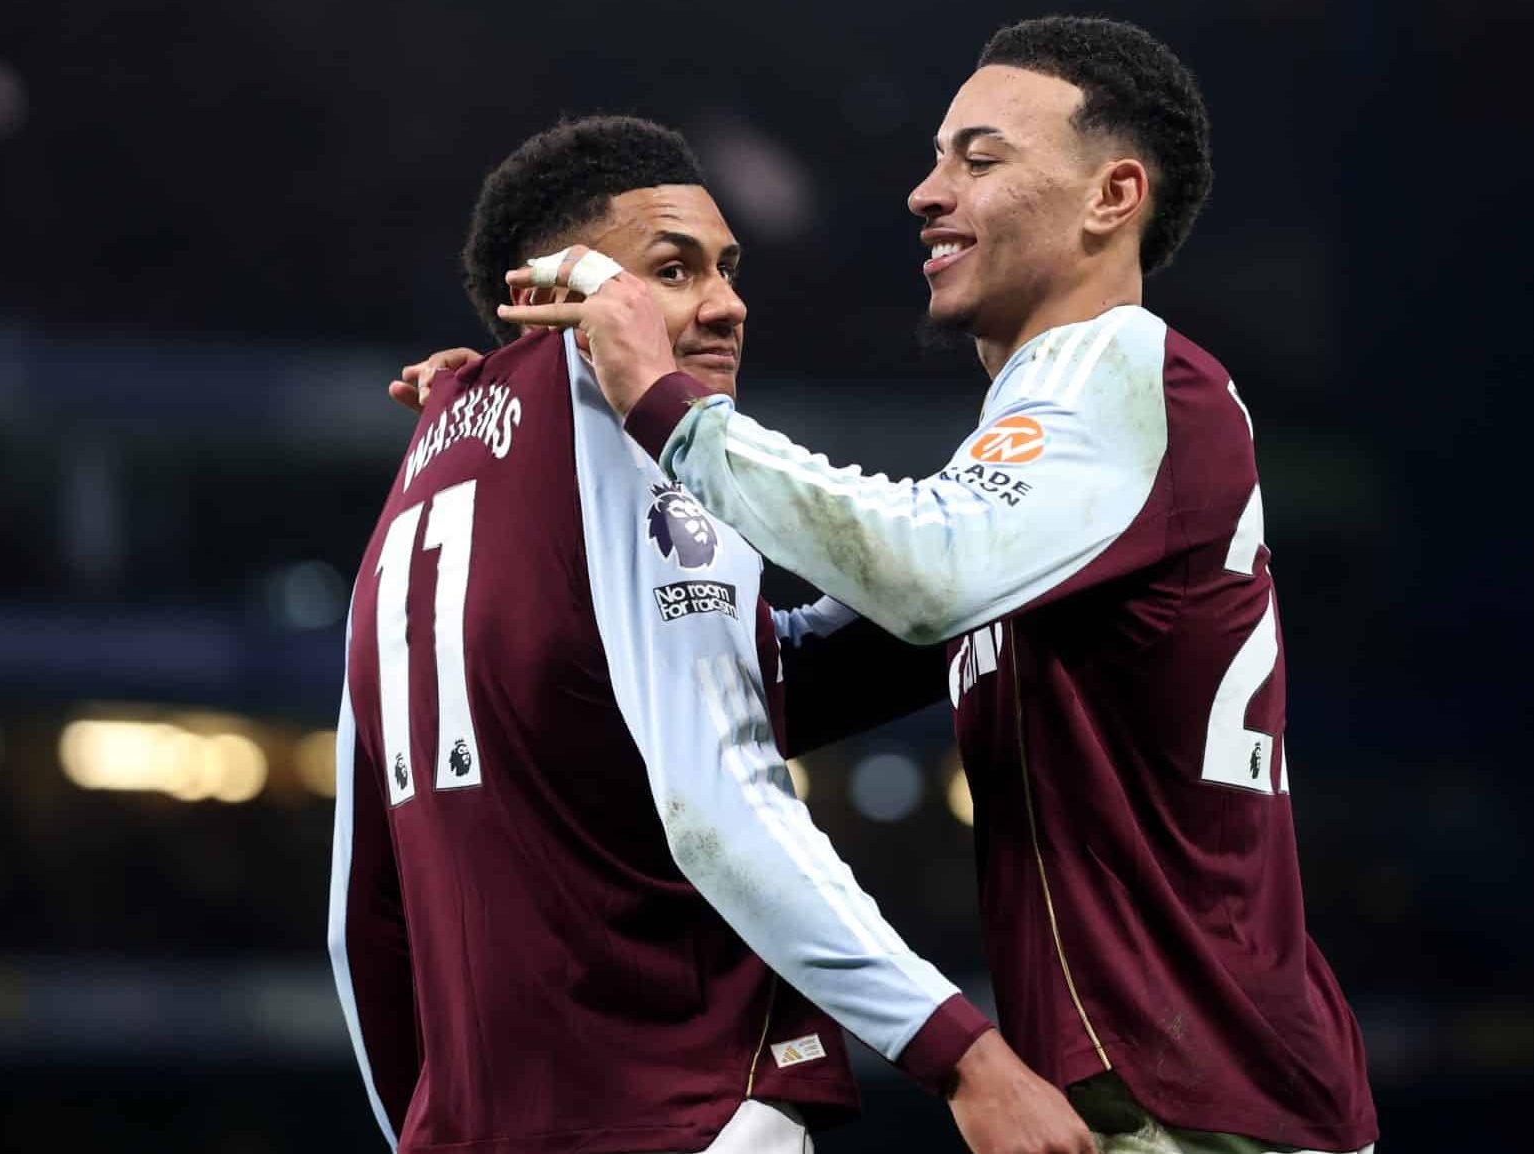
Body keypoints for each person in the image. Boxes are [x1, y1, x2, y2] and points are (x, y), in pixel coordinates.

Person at [485, 18, 1380, 1154]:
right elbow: (777, 678)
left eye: (978, 157)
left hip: (1209, 1101)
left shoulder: (1131, 371)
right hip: (1165, 1092)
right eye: (934, 157)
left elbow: (914, 569)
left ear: (1111, 195)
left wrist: (665, 404)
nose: (923, 191)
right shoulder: (1047, 470)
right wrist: (520, 428)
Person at [327, 114, 1093, 1154]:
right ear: (554, 284)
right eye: (672, 268)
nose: (726, 302)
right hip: (681, 1112)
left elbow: (357, 920)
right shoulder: (633, 431)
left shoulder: (417, 477)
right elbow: (716, 797)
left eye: (727, 267)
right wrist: (962, 1053)